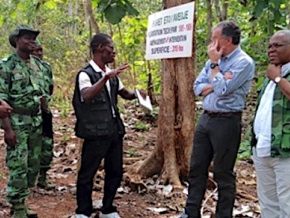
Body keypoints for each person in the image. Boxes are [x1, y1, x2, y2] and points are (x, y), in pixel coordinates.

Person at [179, 21, 255, 218]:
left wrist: (214, 68)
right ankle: (191, 212)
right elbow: (197, 87)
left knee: (223, 172)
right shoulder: (214, 61)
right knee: (197, 167)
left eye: (215, 38)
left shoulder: (243, 62)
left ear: (227, 40)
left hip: (227, 122)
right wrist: (217, 77)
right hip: (206, 119)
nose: (212, 44)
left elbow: (222, 90)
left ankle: (223, 215)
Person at [72, 33, 146, 218]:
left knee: (115, 171)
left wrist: (137, 94)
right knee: (87, 173)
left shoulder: (112, 75)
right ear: (99, 49)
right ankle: (83, 211)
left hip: (114, 130)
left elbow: (124, 93)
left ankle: (107, 208)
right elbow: (87, 95)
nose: (114, 52)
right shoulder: (85, 74)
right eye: (111, 48)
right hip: (95, 132)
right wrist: (105, 78)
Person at [0, 24, 48, 218]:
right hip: (16, 121)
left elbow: (43, 92)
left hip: (36, 120)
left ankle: (23, 202)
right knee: (18, 164)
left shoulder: (37, 65)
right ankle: (17, 206)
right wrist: (8, 129)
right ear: (17, 41)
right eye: (27, 37)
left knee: (32, 164)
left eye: (33, 38)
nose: (32, 41)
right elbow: (1, 99)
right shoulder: (6, 65)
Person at [250, 29, 290, 218]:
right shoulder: (272, 74)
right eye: (269, 46)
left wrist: (277, 78)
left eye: (277, 46)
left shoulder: (276, 75)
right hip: (264, 148)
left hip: (285, 151)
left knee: (287, 201)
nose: (271, 50)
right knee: (268, 202)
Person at [31, 38, 55, 190]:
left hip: (44, 113)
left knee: (47, 145)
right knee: (31, 148)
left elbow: (50, 87)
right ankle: (28, 181)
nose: (39, 54)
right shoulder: (21, 67)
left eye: (41, 50)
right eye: (36, 50)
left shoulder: (46, 67)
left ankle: (43, 178)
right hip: (29, 115)